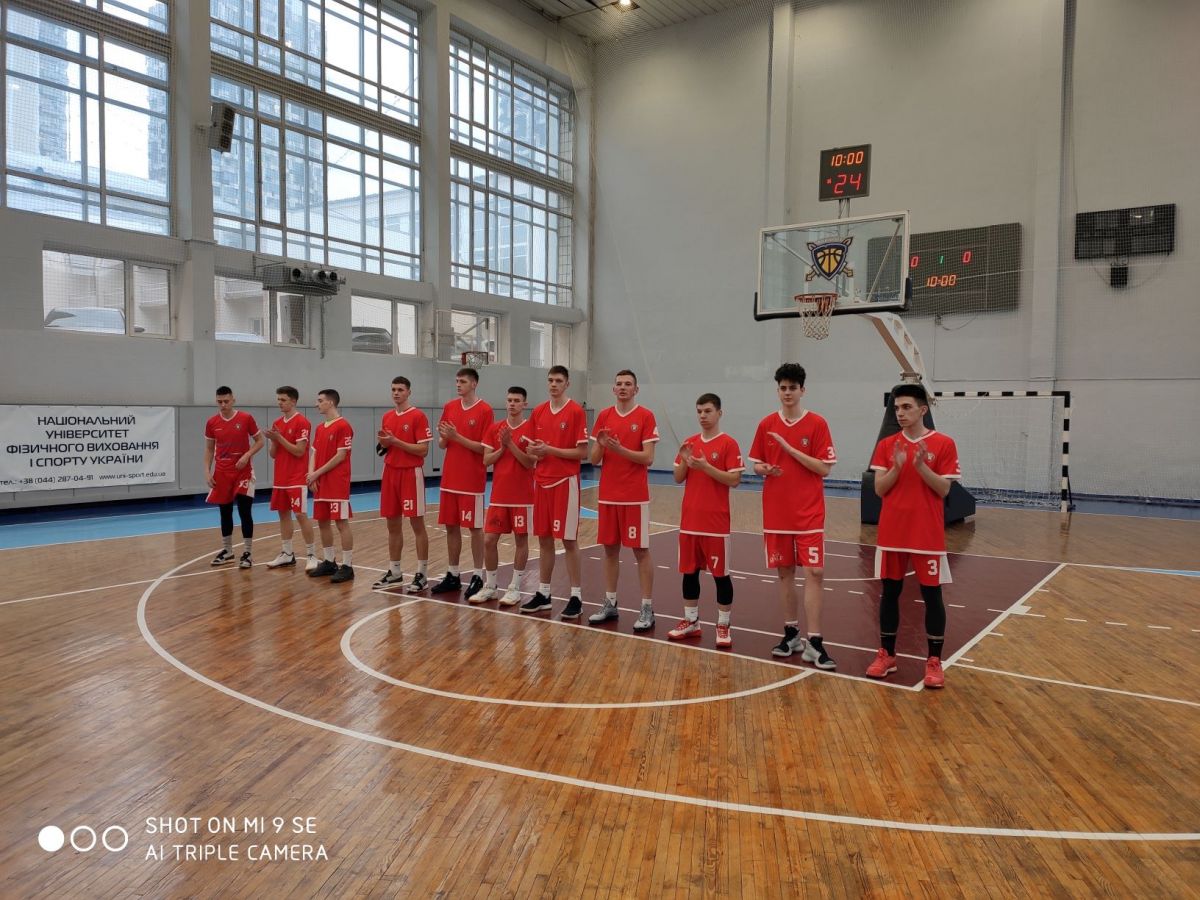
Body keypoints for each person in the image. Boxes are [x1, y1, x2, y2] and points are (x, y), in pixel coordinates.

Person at [866, 383, 962, 689]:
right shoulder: (887, 445)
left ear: (922, 410)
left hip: (926, 534)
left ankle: (934, 661)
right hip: (892, 533)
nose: (900, 413)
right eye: (897, 408)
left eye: (906, 407)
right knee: (889, 593)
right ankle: (887, 655)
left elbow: (944, 489)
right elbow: (880, 489)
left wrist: (921, 467)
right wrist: (896, 468)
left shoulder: (944, 444)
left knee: (932, 596)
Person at [747, 363, 837, 669]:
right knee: (785, 573)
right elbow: (756, 464)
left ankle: (816, 642)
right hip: (776, 513)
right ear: (778, 391)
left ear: (802, 390)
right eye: (783, 388)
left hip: (809, 512)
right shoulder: (766, 424)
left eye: (792, 388)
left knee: (815, 572)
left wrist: (790, 449)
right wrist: (765, 469)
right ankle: (791, 634)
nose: (787, 393)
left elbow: (824, 468)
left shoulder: (817, 424)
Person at [587, 370, 660, 631]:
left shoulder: (645, 416)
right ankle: (610, 603)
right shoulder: (604, 416)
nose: (623, 387)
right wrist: (602, 445)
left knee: (640, 551)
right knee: (609, 550)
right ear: (613, 389)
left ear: (636, 389)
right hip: (608, 496)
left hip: (634, 497)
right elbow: (594, 459)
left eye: (628, 384)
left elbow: (648, 458)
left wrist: (620, 449)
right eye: (618, 384)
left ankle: (647, 607)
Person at [669, 393, 744, 647]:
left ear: (719, 413)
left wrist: (706, 467)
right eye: (699, 411)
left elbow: (734, 480)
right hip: (689, 522)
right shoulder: (689, 443)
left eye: (708, 411)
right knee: (689, 573)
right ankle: (691, 621)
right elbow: (678, 478)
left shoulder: (728, 444)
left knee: (720, 576)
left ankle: (723, 625)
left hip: (716, 524)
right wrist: (684, 460)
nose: (703, 415)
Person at [520, 366, 588, 619]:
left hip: (565, 482)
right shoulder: (538, 411)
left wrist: (550, 450)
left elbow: (582, 453)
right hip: (542, 482)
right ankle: (544, 593)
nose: (553, 384)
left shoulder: (575, 412)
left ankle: (576, 596)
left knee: (569, 541)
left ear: (567, 384)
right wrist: (535, 452)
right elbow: (530, 450)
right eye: (550, 380)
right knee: (544, 540)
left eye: (558, 380)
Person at [431, 368, 494, 599]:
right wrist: (445, 437)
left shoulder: (485, 410)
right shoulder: (450, 407)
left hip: (471, 479)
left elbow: (484, 448)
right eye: (457, 381)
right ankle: (453, 574)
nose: (458, 384)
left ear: (474, 384)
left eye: (463, 381)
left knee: (475, 529)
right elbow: (442, 444)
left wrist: (456, 436)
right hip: (450, 478)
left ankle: (477, 575)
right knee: (451, 526)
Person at [373, 376, 433, 593]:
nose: (396, 393)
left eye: (400, 389)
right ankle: (395, 571)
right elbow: (385, 448)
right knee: (392, 524)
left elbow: (423, 450)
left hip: (410, 473)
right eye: (393, 389)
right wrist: (384, 444)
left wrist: (396, 441)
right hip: (390, 472)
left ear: (409, 392)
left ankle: (422, 574)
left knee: (417, 524)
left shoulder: (418, 416)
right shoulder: (387, 417)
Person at [478, 387, 536, 605]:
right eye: (509, 400)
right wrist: (502, 448)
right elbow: (486, 460)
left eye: (517, 400)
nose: (512, 404)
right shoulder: (495, 428)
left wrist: (510, 444)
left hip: (522, 497)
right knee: (489, 540)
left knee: (521, 540)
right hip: (498, 496)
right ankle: (491, 586)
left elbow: (529, 463)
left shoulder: (531, 428)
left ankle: (515, 587)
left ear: (524, 404)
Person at [204, 386, 264, 569]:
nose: (223, 405)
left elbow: (260, 441)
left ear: (233, 400)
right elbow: (209, 449)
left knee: (244, 511)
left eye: (226, 401)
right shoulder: (212, 422)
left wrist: (247, 455)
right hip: (222, 473)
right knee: (225, 512)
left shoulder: (246, 418)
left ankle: (247, 553)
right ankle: (227, 550)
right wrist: (207, 471)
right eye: (219, 402)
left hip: (243, 472)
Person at [264, 386, 317, 571]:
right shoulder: (277, 422)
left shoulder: (302, 422)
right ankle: (287, 553)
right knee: (283, 514)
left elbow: (299, 451)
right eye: (278, 399)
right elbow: (273, 454)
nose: (279, 403)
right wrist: (273, 440)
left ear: (293, 401)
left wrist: (279, 438)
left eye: (283, 400)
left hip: (296, 478)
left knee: (301, 515)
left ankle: (312, 555)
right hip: (280, 478)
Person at [306, 388, 355, 584]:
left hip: (336, 483)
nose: (316, 404)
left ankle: (348, 566)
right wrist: (311, 476)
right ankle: (329, 561)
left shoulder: (343, 426)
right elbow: (314, 453)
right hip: (320, 482)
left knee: (341, 523)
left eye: (320, 400)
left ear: (331, 402)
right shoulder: (320, 428)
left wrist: (316, 473)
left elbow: (341, 456)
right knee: (322, 521)